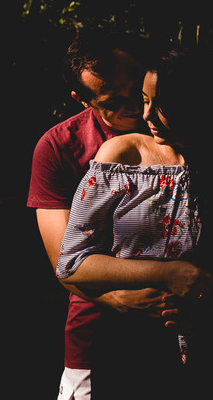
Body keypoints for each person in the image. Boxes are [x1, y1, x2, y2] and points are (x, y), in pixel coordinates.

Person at [54, 48, 213, 400]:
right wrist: (165, 274)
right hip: (130, 353)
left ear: (199, 104)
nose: (147, 115)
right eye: (144, 101)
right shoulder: (121, 158)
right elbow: (72, 265)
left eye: (161, 105)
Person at [27, 30, 172, 400]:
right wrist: (119, 298)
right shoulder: (58, 147)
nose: (136, 108)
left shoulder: (179, 131)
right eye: (114, 102)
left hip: (185, 336)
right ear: (83, 100)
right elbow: (65, 260)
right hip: (95, 338)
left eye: (136, 89)